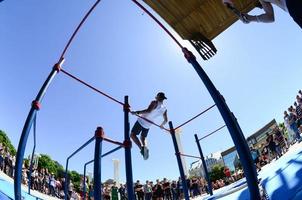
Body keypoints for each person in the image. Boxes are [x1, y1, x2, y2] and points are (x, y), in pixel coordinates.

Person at [131, 92, 168, 159]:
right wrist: (161, 125)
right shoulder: (164, 109)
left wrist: (136, 112)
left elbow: (148, 111)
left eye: (156, 96)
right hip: (148, 124)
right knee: (143, 138)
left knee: (132, 135)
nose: (155, 97)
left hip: (141, 121)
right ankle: (145, 147)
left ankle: (141, 149)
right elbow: (166, 120)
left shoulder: (155, 102)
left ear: (158, 97)